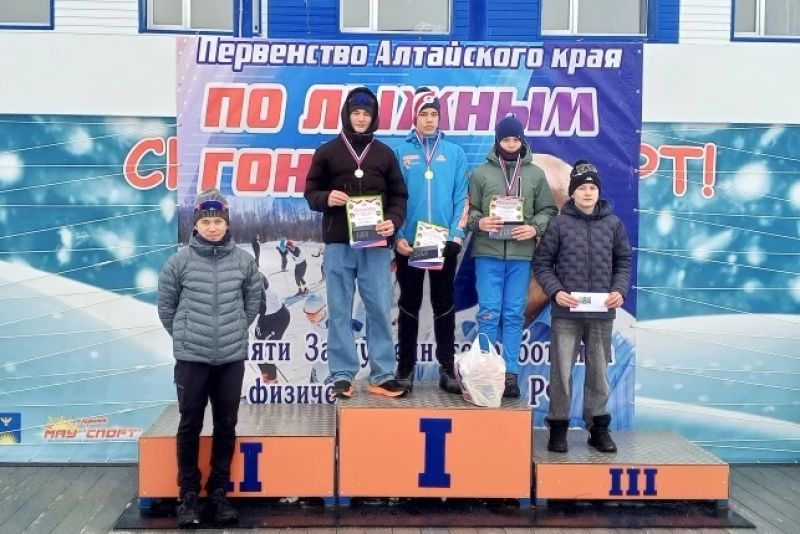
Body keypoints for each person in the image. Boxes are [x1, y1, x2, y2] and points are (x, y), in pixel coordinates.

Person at [157, 187, 261, 527]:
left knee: (226, 424)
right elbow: (167, 307)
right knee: (190, 424)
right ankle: (188, 495)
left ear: (227, 223)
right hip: (192, 358)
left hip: (230, 358)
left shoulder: (244, 261)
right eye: (206, 222)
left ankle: (219, 493)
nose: (213, 227)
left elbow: (252, 304)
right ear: (196, 224)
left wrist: (234, 330)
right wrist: (187, 336)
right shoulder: (179, 262)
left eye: (218, 221)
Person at [304, 86, 409, 399]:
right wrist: (326, 197)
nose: (361, 118)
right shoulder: (327, 151)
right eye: (356, 113)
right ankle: (342, 374)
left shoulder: (385, 154)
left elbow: (399, 196)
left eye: (367, 114)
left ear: (374, 118)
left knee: (379, 308)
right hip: (338, 242)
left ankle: (383, 374)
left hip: (375, 244)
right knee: (339, 309)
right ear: (347, 115)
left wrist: (393, 221)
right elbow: (310, 192)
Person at [533, 160, 632, 453]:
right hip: (566, 313)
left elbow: (623, 261)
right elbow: (542, 263)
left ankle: (598, 428)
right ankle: (558, 427)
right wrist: (556, 292)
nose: (587, 193)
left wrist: (619, 290)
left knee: (598, 373)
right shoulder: (559, 224)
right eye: (582, 188)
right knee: (561, 372)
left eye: (592, 188)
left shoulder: (613, 224)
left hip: (601, 313)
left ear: (598, 191)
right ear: (572, 192)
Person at [467, 114, 557, 398]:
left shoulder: (535, 174)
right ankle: (485, 372)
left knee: (514, 314)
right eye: (505, 139)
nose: (510, 144)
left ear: (522, 141)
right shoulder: (481, 173)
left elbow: (548, 210)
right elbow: (469, 211)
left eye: (515, 139)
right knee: (489, 312)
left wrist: (534, 228)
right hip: (488, 252)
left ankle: (510, 374)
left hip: (521, 254)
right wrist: (480, 222)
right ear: (497, 141)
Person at [392, 87, 468, 394]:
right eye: (423, 114)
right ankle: (405, 368)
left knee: (444, 305)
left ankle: (447, 369)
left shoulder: (455, 153)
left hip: (443, 243)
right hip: (410, 244)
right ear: (414, 117)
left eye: (434, 114)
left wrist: (456, 236)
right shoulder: (400, 153)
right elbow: (393, 199)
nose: (429, 119)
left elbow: (462, 197)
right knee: (409, 305)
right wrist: (397, 236)